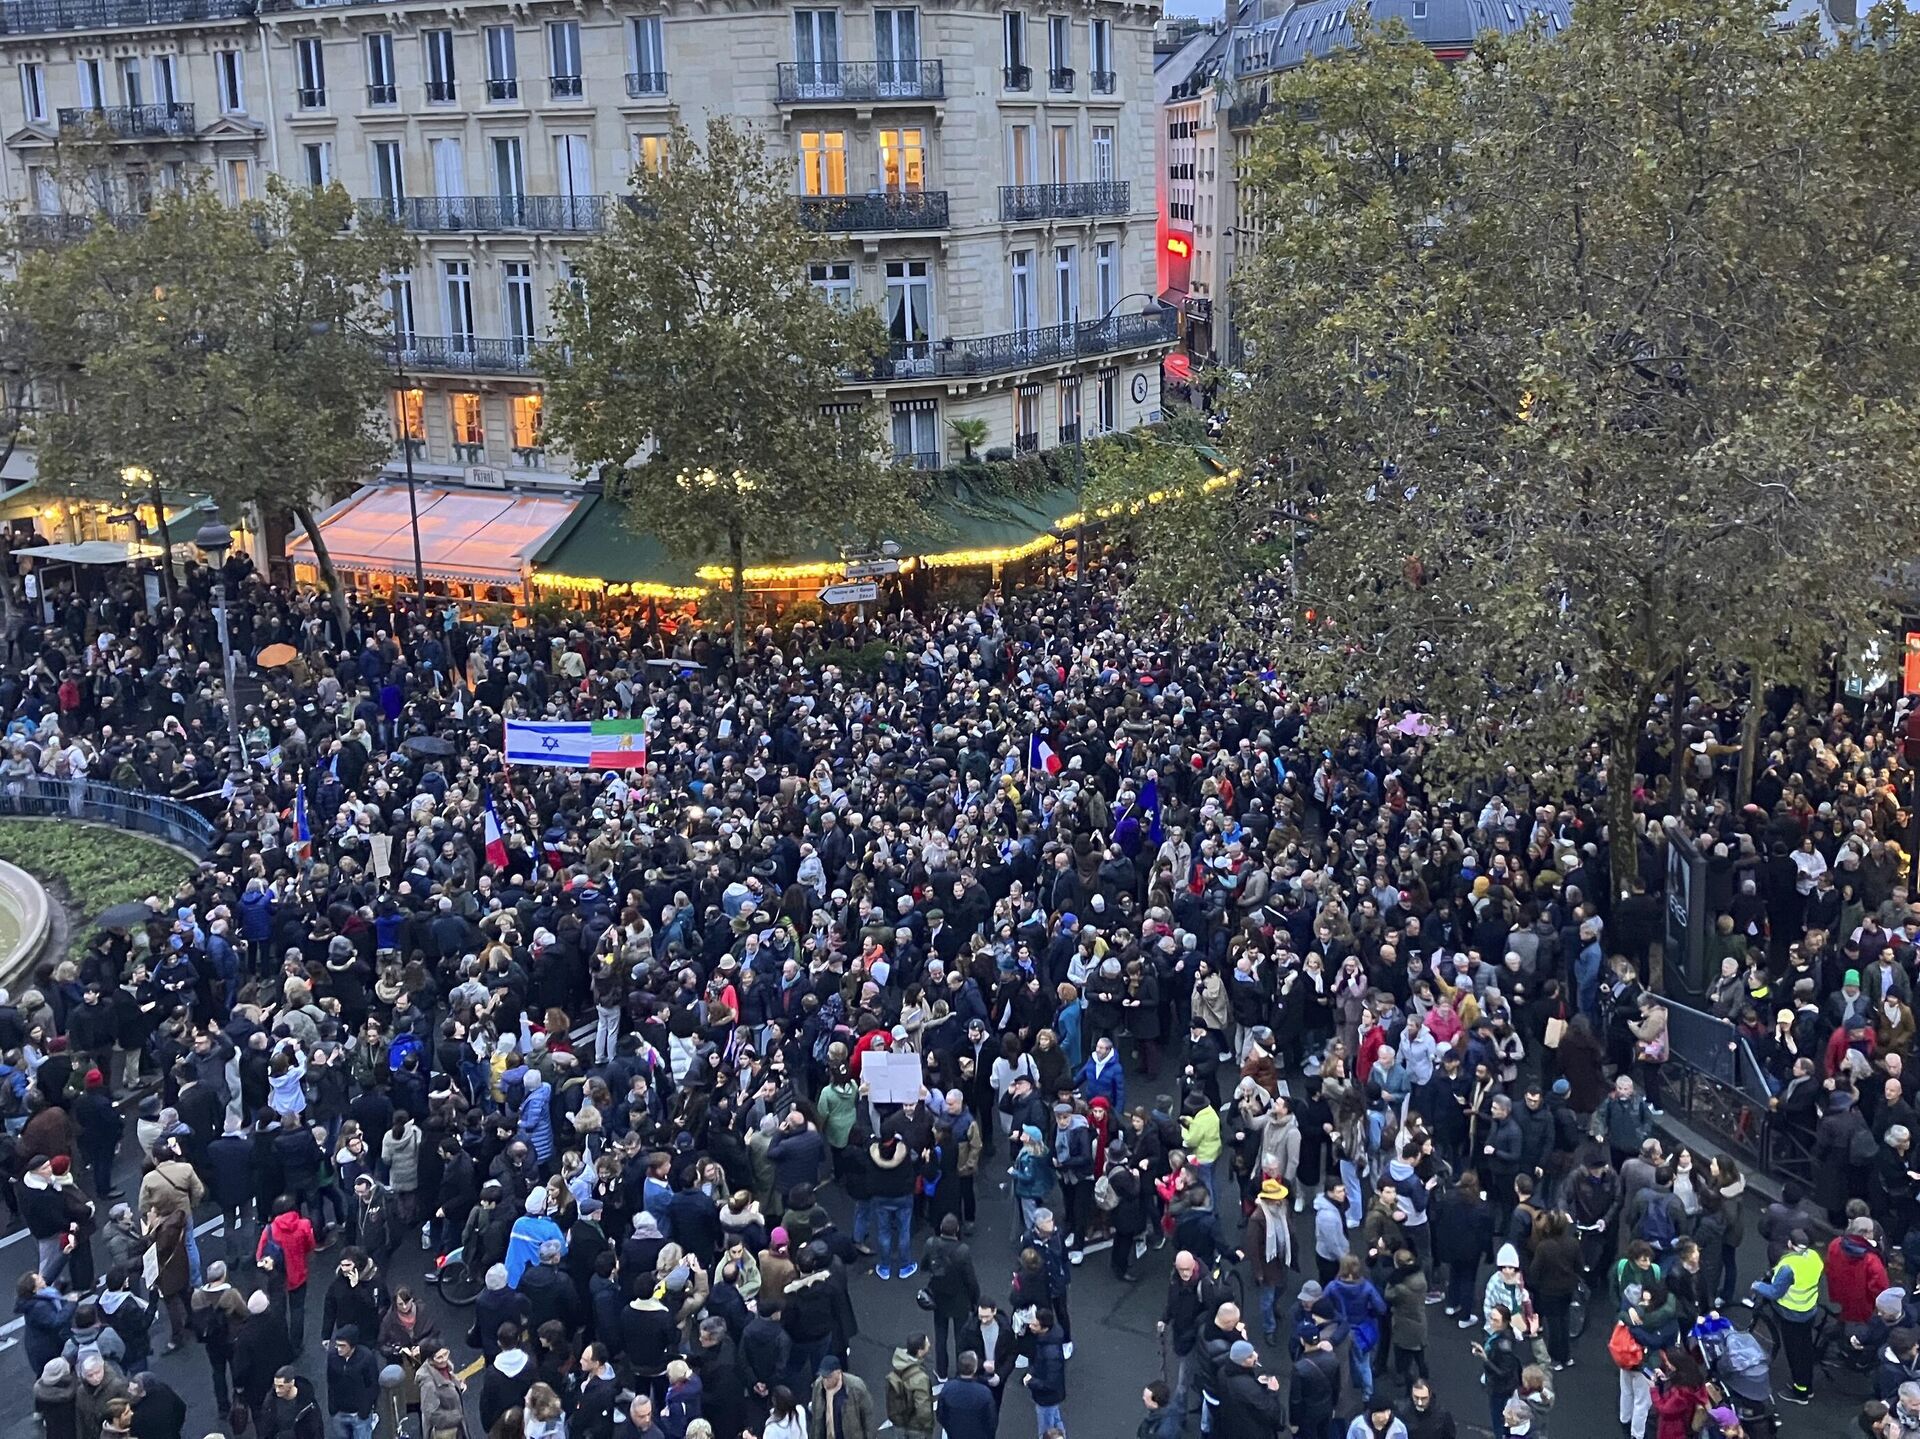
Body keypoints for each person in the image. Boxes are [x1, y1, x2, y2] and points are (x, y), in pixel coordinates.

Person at [1749, 1226, 1825, 1404]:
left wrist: (1757, 1286)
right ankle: (1807, 1386)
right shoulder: (1814, 1257)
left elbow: (1775, 1292)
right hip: (1809, 1310)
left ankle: (1801, 1391)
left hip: (1791, 1314)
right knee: (1805, 1347)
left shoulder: (1788, 1267)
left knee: (1795, 1353)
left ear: (1790, 1244)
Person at [1018, 1307, 1068, 1439]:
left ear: (1044, 1327)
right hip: (1052, 1396)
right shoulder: (1048, 1340)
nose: (1030, 1326)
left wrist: (1030, 1381)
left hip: (1046, 1397)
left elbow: (1050, 1383)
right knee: (1055, 1420)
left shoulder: (1050, 1352)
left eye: (1035, 1324)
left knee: (1045, 1432)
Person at [324, 1327, 380, 1439]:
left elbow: (372, 1386)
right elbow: (330, 1382)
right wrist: (333, 1408)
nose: (339, 1349)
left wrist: (365, 1411)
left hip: (358, 1414)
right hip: (339, 1412)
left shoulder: (366, 1358)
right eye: (337, 1345)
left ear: (353, 1345)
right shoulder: (332, 1357)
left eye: (342, 1346)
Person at [885, 1333, 938, 1439]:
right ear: (920, 1351)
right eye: (927, 1344)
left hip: (899, 1419)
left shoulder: (900, 1362)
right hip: (915, 1427)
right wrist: (928, 1426)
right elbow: (923, 1409)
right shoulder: (919, 1378)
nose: (930, 1345)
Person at [808, 1357, 875, 1439]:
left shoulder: (856, 1387)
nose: (825, 1381)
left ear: (838, 1372)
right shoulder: (818, 1386)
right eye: (823, 1377)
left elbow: (868, 1417)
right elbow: (815, 1420)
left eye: (829, 1377)